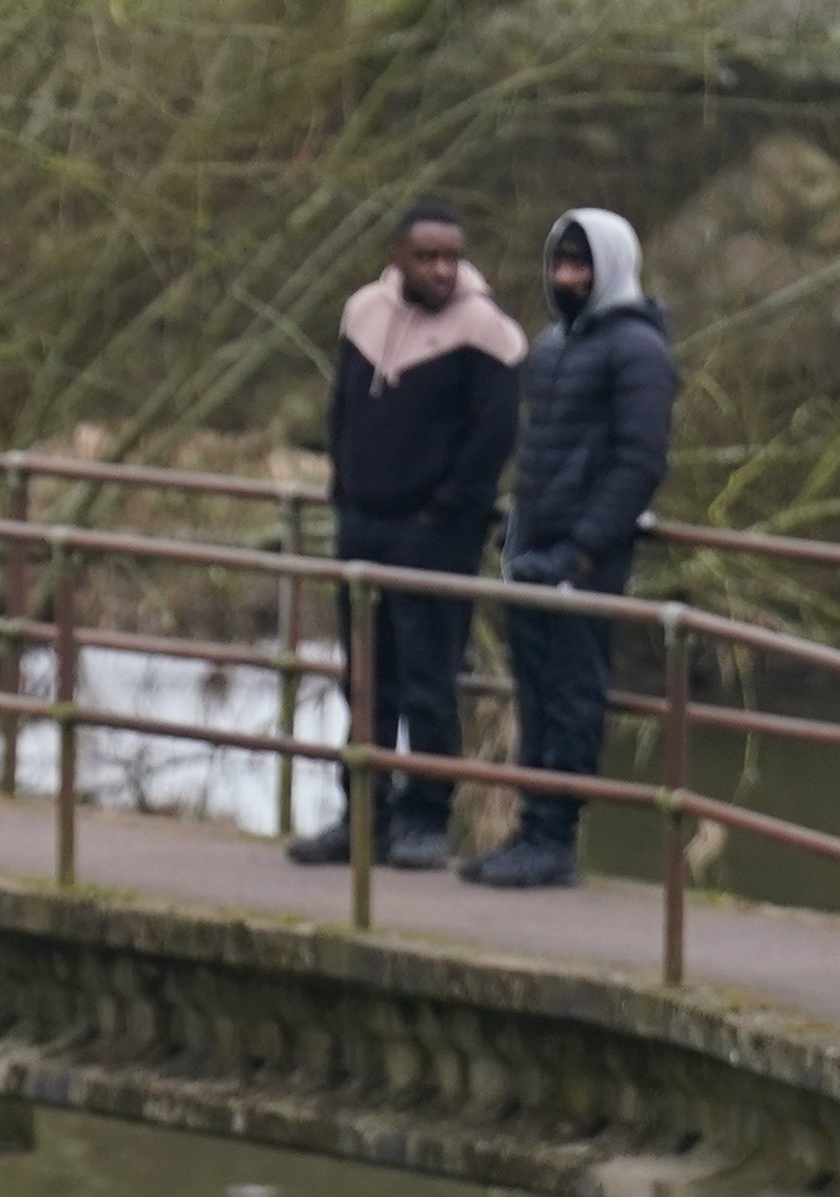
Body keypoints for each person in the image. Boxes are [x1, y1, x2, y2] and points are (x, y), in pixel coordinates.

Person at [290, 202, 530, 873]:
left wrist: (446, 514)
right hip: (363, 521)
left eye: (451, 255)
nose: (442, 269)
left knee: (428, 678)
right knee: (365, 680)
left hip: (435, 532)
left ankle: (425, 817)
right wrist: (343, 482)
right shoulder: (364, 311)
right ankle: (362, 812)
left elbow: (492, 438)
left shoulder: (487, 332)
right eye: (426, 256)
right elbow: (342, 403)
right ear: (398, 256)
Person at [469, 207, 679, 890]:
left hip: (584, 561)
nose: (567, 277)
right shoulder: (553, 346)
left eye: (581, 265)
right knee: (533, 692)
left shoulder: (639, 351)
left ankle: (555, 836)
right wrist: (519, 527)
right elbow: (539, 449)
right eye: (560, 264)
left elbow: (638, 462)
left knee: (572, 693)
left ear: (609, 267)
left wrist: (584, 551)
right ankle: (531, 828)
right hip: (532, 551)